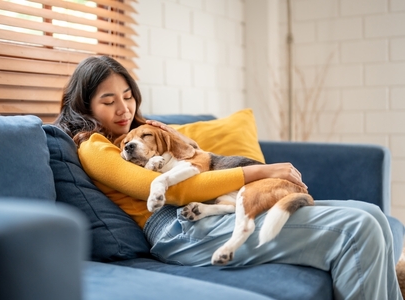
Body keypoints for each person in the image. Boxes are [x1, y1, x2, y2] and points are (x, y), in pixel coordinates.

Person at [54, 55, 402, 300]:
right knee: (359, 229)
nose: (123, 109)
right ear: (85, 107)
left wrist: (171, 137)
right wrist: (261, 170)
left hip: (208, 209)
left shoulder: (142, 134)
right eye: (108, 101)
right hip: (177, 228)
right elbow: (170, 192)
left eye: (128, 97)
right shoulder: (94, 147)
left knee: (370, 213)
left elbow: (196, 160)